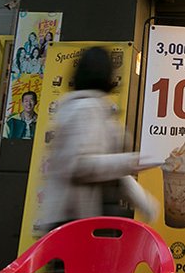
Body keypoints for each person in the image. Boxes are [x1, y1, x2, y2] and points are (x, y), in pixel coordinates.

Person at [37, 47, 157, 233]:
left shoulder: (93, 108)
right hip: (73, 219)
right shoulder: (85, 109)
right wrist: (129, 162)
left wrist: (142, 200)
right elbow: (79, 165)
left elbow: (110, 171)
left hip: (78, 217)